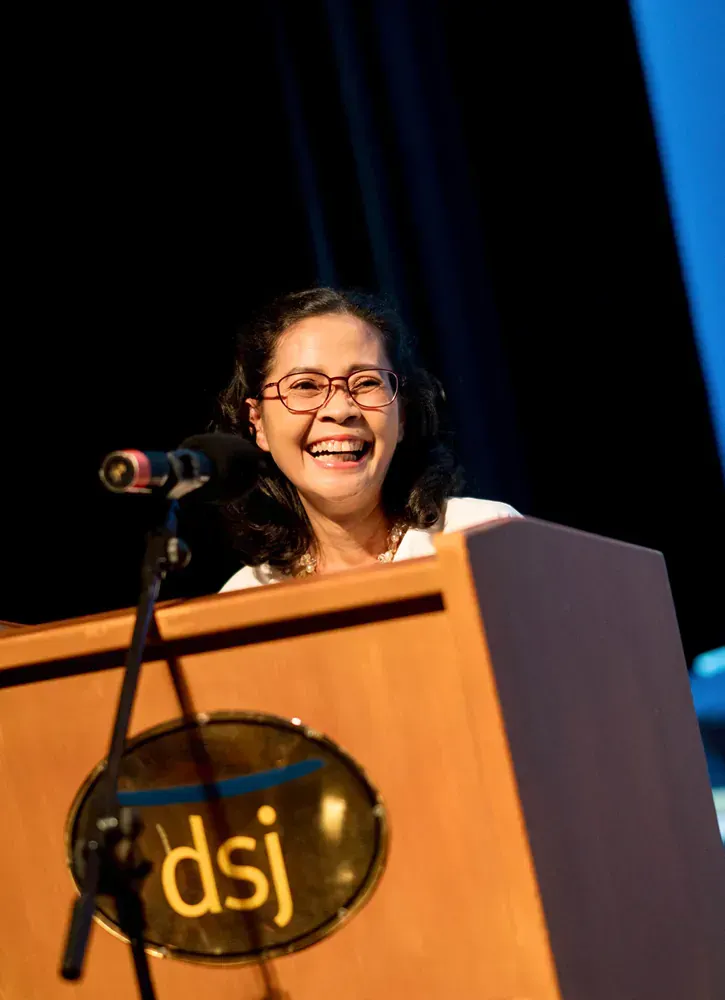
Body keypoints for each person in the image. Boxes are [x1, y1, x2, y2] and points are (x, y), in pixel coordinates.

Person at [216, 287, 520, 591]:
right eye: (306, 385)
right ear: (257, 423)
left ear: (402, 416)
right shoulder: (245, 596)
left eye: (366, 383)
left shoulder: (487, 538)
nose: (340, 410)